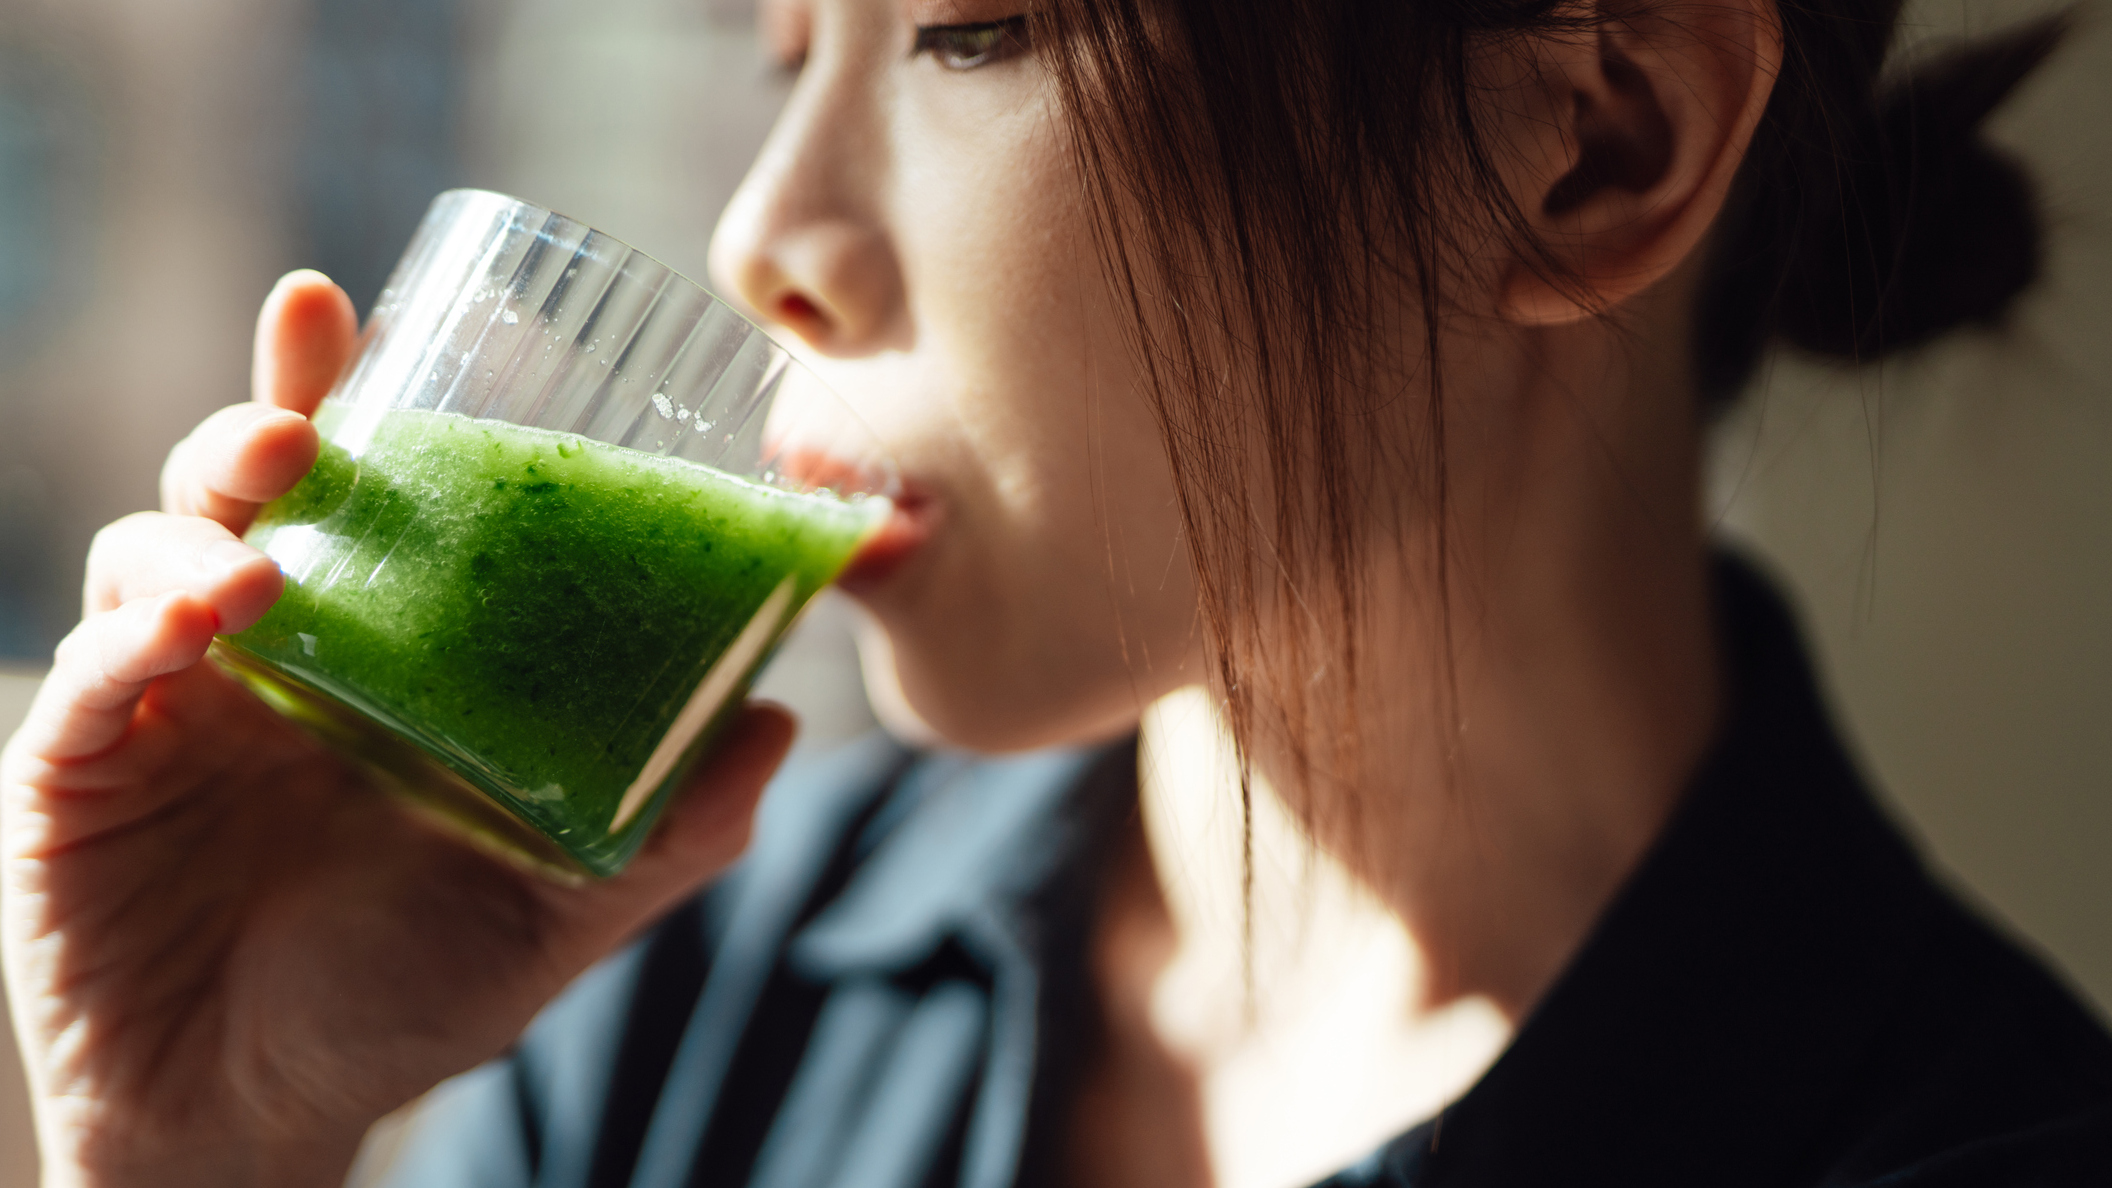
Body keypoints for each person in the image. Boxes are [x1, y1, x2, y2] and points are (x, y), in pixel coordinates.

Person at [5, 0, 2109, 1184]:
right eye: (780, 50)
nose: (768, 234)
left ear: (1590, 146)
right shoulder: (686, 994)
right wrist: (210, 1150)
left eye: (975, 31)